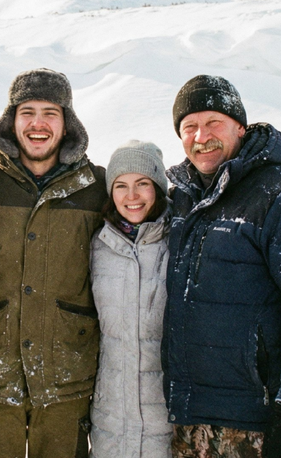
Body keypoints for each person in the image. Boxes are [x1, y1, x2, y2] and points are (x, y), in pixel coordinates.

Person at [162, 76, 281, 458]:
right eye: (189, 127)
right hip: (188, 422)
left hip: (256, 426)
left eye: (214, 122)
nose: (202, 136)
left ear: (240, 127)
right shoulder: (182, 200)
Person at [0, 68, 107, 457]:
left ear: (67, 122)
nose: (37, 124)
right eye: (27, 112)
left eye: (50, 113)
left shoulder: (97, 187)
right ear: (11, 120)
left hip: (67, 373)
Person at [89, 140, 173, 457]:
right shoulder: (98, 245)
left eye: (142, 184)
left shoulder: (177, 243)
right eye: (121, 186)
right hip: (110, 418)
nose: (131, 196)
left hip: (163, 421)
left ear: (158, 189)